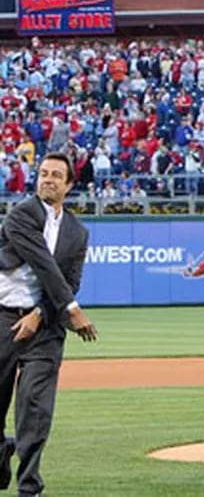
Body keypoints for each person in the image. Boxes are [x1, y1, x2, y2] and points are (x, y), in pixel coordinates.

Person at [0, 152, 98, 497]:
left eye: (56, 175)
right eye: (43, 173)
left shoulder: (77, 233)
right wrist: (72, 309)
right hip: (3, 318)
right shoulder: (20, 215)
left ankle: (30, 488)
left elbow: (70, 281)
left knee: (35, 408)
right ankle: (2, 450)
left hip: (44, 326)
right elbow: (44, 264)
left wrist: (41, 313)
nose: (48, 179)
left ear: (69, 185)